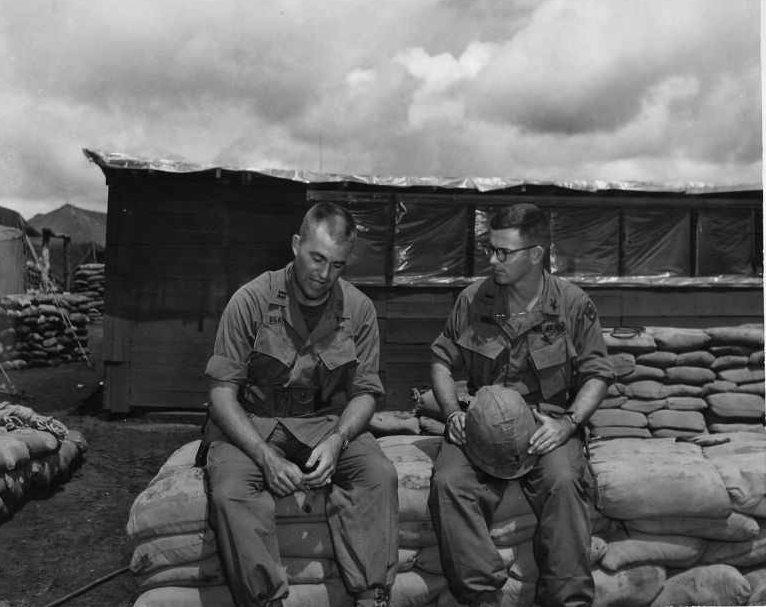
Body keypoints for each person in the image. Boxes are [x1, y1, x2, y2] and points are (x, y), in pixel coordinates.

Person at [200, 202, 398, 607]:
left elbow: (365, 392)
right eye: (317, 258)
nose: (324, 275)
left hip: (323, 423)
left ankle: (371, 594)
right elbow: (221, 393)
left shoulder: (358, 309)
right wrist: (264, 458)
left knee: (378, 474)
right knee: (231, 491)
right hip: (253, 421)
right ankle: (265, 599)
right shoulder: (251, 300)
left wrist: (338, 440)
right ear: (296, 245)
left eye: (337, 265)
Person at [427, 203, 614, 607]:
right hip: (480, 423)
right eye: (490, 249)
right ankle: (481, 598)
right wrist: (453, 413)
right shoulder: (474, 300)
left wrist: (569, 424)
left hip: (546, 424)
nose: (493, 260)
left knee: (564, 482)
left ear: (535, 254)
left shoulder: (572, 304)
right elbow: (441, 360)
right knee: (448, 483)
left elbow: (597, 373)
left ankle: (566, 600)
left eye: (503, 252)